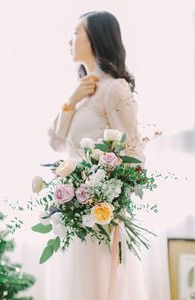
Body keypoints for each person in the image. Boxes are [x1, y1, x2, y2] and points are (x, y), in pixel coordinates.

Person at [47, 10, 148, 300]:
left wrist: (107, 195)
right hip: (72, 214)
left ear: (96, 38)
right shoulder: (81, 92)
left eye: (77, 32)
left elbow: (133, 153)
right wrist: (71, 101)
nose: (70, 40)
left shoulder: (115, 88)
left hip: (101, 217)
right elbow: (56, 143)